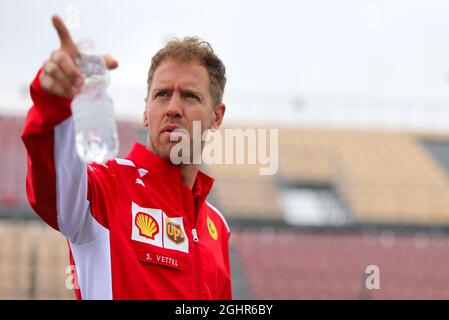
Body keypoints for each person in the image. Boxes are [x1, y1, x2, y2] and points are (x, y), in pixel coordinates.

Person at [21, 15, 231, 300]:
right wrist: (54, 102)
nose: (172, 108)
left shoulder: (217, 226)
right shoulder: (104, 189)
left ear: (216, 116)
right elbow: (50, 188)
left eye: (190, 96)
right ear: (146, 111)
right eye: (162, 94)